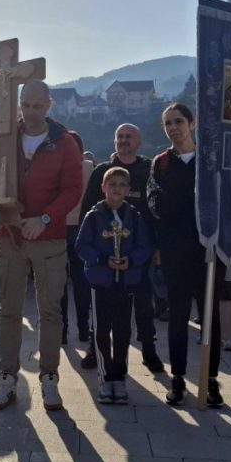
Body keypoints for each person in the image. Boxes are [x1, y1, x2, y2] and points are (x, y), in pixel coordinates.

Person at [0, 80, 83, 412]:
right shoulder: (3, 139)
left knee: (50, 311)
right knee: (7, 310)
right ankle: (7, 376)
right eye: (27, 105)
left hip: (48, 239)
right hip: (9, 237)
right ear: (19, 104)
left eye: (39, 106)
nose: (32, 112)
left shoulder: (65, 143)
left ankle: (49, 377)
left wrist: (46, 219)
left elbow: (72, 189)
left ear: (49, 105)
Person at [147, 103, 223, 408]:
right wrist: (191, 205)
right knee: (177, 316)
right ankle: (178, 377)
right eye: (167, 123)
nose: (173, 127)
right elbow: (156, 204)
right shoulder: (161, 164)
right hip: (176, 250)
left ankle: (211, 379)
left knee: (210, 317)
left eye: (178, 121)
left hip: (210, 249)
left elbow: (223, 200)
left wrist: (185, 205)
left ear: (191, 124)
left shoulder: (210, 161)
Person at [79, 123, 165, 374]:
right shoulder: (102, 172)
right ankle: (96, 349)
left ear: (139, 142)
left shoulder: (149, 170)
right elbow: (88, 209)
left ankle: (149, 351)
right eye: (120, 137)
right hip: (105, 257)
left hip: (139, 252)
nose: (124, 141)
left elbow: (157, 211)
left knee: (144, 305)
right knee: (102, 306)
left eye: (129, 137)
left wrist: (156, 247)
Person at [76, 167, 151, 404]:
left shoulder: (135, 217)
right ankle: (105, 377)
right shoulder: (94, 216)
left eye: (121, 185)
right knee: (101, 331)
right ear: (103, 188)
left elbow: (144, 247)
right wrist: (101, 260)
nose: (117, 189)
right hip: (101, 282)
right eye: (112, 184)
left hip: (126, 283)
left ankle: (119, 377)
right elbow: (81, 246)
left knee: (122, 331)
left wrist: (131, 261)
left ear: (128, 190)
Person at [60, 131, 95, 346]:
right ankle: (83, 329)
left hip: (59, 229)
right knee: (81, 284)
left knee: (59, 285)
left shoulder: (59, 167)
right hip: (82, 230)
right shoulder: (89, 168)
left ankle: (62, 330)